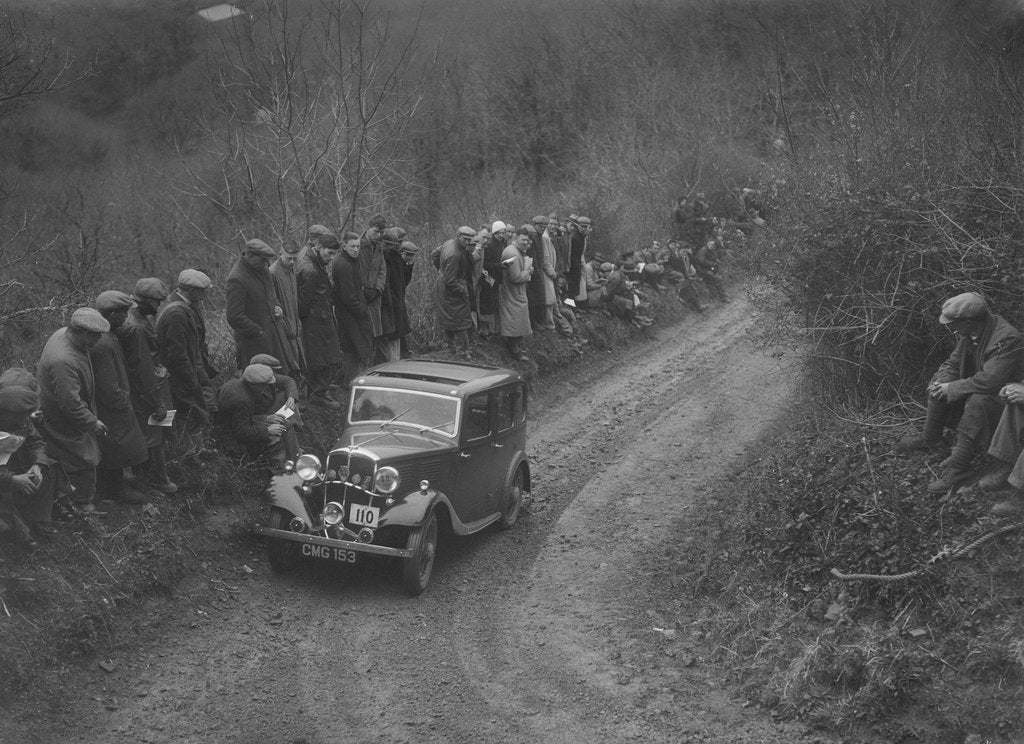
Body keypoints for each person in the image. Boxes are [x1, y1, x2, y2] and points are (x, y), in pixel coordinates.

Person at [897, 292, 1024, 493]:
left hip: (1006, 402)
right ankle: (931, 438)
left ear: (968, 322)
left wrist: (953, 388)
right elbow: (953, 363)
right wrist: (943, 381)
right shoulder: (971, 333)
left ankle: (959, 467)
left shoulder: (1007, 338)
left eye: (953, 323)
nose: (951, 327)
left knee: (977, 401)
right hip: (983, 388)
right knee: (940, 385)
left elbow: (990, 381)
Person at [36, 308, 110, 514]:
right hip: (62, 418)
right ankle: (82, 504)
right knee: (82, 457)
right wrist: (91, 422)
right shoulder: (63, 360)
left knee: (73, 455)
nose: (99, 339)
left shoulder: (66, 336)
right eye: (96, 335)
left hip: (60, 413)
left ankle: (70, 501)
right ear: (84, 333)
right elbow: (70, 404)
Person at [91, 291, 150, 505]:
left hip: (115, 403)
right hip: (112, 406)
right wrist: (123, 402)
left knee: (118, 445)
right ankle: (113, 490)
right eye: (124, 312)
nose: (127, 317)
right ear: (112, 314)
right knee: (115, 446)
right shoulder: (103, 342)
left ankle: (115, 486)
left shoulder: (107, 334)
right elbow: (108, 387)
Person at [122, 277, 177, 494]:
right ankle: (154, 480)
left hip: (148, 385)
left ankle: (149, 478)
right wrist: (157, 401)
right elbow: (144, 369)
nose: (159, 306)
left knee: (154, 433)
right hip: (148, 390)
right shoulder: (138, 326)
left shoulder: (137, 315)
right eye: (156, 302)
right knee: (154, 434)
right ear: (144, 300)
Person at [157, 269, 215, 457]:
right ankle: (187, 457)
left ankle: (195, 451)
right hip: (180, 377)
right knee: (185, 416)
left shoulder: (186, 305)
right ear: (191, 290)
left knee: (193, 415)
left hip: (189, 371)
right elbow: (178, 354)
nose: (205, 295)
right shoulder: (176, 313)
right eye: (202, 291)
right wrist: (192, 380)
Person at [0, 383, 59, 546]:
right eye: (19, 416)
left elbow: (36, 443)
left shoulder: (21, 421)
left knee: (49, 468)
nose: (24, 420)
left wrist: (37, 464)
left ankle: (37, 520)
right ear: (6, 412)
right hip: (5, 475)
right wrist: (12, 479)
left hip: (10, 468)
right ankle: (13, 533)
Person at [296, 225, 343, 409]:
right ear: (317, 245)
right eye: (329, 254)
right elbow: (304, 302)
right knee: (323, 357)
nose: (331, 259)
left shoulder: (311, 259)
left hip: (319, 316)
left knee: (323, 356)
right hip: (316, 319)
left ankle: (318, 389)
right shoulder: (310, 268)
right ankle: (318, 393)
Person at [214, 363, 295, 468]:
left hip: (228, 427)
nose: (266, 387)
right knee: (276, 436)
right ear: (255, 384)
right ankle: (278, 472)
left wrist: (266, 419)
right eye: (264, 385)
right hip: (229, 439)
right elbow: (241, 432)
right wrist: (268, 430)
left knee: (282, 424)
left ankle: (291, 459)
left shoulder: (234, 384)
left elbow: (239, 419)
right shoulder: (243, 400)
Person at [226, 238, 285, 370]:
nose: (267, 263)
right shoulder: (237, 279)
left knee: (276, 375)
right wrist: (258, 332)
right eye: (263, 259)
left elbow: (272, 297)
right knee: (257, 379)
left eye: (268, 260)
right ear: (250, 255)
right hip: (252, 342)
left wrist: (278, 307)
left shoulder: (263, 271)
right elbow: (234, 316)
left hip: (272, 336)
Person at [332, 231, 374, 386]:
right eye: (352, 246)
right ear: (344, 246)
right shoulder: (344, 264)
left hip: (351, 312)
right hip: (349, 314)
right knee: (354, 349)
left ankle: (346, 381)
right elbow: (348, 296)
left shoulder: (350, 261)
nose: (356, 250)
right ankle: (351, 384)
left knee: (354, 349)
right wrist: (362, 311)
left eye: (358, 246)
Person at [436, 226, 479, 357]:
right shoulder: (455, 253)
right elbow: (451, 281)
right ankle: (463, 352)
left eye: (470, 240)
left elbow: (435, 254)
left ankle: (452, 349)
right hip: (452, 287)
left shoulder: (448, 243)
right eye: (465, 239)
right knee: (460, 321)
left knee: (450, 318)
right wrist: (463, 292)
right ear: (458, 236)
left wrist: (441, 271)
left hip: (444, 285)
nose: (468, 242)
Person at [269, 240, 305, 379]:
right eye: (289, 258)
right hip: (284, 328)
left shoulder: (292, 271)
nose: (292, 262)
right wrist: (285, 325)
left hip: (295, 326)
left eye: (294, 259)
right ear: (280, 254)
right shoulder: (272, 273)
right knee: (287, 364)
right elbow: (273, 302)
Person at [499, 226, 535, 362]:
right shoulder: (512, 253)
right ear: (516, 238)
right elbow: (514, 277)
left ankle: (516, 346)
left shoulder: (517, 250)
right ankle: (514, 349)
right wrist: (528, 272)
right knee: (515, 321)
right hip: (512, 293)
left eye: (527, 240)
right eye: (523, 240)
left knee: (518, 321)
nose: (526, 242)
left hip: (517, 292)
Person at [359, 214, 389, 364]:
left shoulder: (379, 246)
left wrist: (378, 289)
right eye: (376, 231)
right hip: (361, 297)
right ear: (368, 228)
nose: (378, 235)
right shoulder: (359, 245)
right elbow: (355, 272)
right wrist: (363, 290)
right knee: (364, 334)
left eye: (381, 232)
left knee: (376, 334)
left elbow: (382, 270)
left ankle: (373, 366)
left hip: (375, 297)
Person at [382, 233, 414, 361]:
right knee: (393, 337)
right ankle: (393, 364)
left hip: (396, 302)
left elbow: (403, 282)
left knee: (396, 337)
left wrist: (409, 265)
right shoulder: (388, 258)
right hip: (391, 303)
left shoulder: (397, 259)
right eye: (399, 243)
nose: (401, 245)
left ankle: (396, 360)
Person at [478, 221, 507, 339]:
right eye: (498, 233)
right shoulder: (489, 245)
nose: (501, 235)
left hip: (495, 278)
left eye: (503, 233)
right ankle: (484, 330)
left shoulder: (501, 243)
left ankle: (491, 329)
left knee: (493, 303)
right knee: (486, 303)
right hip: (487, 278)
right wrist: (499, 266)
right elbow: (485, 264)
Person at [691, 239, 729, 303]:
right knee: (718, 279)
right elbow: (701, 261)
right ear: (710, 244)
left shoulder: (711, 249)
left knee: (713, 281)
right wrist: (712, 263)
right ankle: (723, 298)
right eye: (714, 247)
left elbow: (714, 257)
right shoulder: (702, 251)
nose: (715, 248)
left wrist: (716, 261)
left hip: (708, 269)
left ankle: (716, 298)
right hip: (701, 271)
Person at [567, 216, 592, 306]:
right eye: (584, 227)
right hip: (573, 265)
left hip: (577, 263)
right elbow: (573, 254)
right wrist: (577, 266)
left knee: (576, 285)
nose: (586, 229)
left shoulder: (581, 237)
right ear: (580, 227)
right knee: (572, 286)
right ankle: (571, 305)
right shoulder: (575, 238)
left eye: (587, 227)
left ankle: (576, 305)